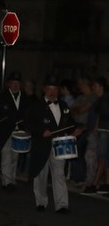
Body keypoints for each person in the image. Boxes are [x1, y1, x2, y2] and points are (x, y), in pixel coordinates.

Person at [25, 78, 80, 213]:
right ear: (44, 89)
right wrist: (40, 132)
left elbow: (70, 122)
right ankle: (41, 202)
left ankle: (61, 205)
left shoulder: (63, 105)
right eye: (49, 88)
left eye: (55, 89)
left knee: (59, 175)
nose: (52, 92)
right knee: (41, 175)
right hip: (41, 145)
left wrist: (74, 130)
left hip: (59, 145)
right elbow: (27, 124)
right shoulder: (35, 105)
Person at [0, 71, 31, 190]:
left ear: (21, 84)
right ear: (8, 84)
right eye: (13, 83)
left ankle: (11, 180)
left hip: (20, 132)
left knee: (14, 157)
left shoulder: (26, 98)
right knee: (6, 157)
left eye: (17, 83)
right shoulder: (0, 98)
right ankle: (7, 182)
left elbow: (29, 115)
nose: (15, 85)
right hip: (5, 132)